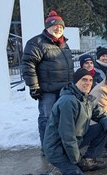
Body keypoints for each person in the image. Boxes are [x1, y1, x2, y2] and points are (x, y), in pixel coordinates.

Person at [20, 68, 107, 175]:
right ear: (76, 82)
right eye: (84, 80)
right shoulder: (68, 101)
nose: (87, 83)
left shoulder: (87, 99)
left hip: (74, 142)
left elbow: (101, 115)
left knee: (102, 127)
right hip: (57, 149)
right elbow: (67, 135)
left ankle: (88, 161)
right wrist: (76, 160)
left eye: (90, 80)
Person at [21, 11, 74, 147]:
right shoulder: (36, 42)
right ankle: (48, 147)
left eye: (61, 27)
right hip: (47, 91)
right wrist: (33, 86)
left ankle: (61, 145)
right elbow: (28, 65)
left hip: (65, 90)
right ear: (47, 27)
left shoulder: (63, 44)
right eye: (55, 26)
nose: (58, 29)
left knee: (64, 119)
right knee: (47, 118)